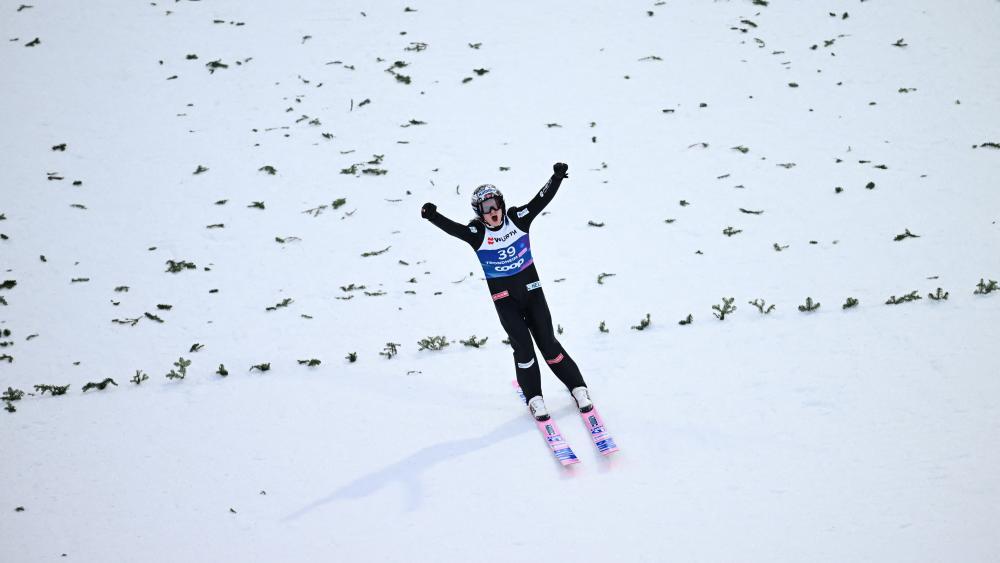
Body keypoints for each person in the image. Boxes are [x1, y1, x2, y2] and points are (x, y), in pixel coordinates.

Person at [420, 162, 592, 421]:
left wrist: (556, 177)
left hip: (533, 294)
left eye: (495, 204)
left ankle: (578, 388)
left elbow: (540, 200)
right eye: (486, 207)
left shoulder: (517, 219)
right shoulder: (477, 234)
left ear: (502, 203)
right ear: (479, 212)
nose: (493, 211)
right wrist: (433, 216)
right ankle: (534, 398)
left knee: (549, 345)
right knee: (523, 350)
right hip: (505, 301)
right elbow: (454, 229)